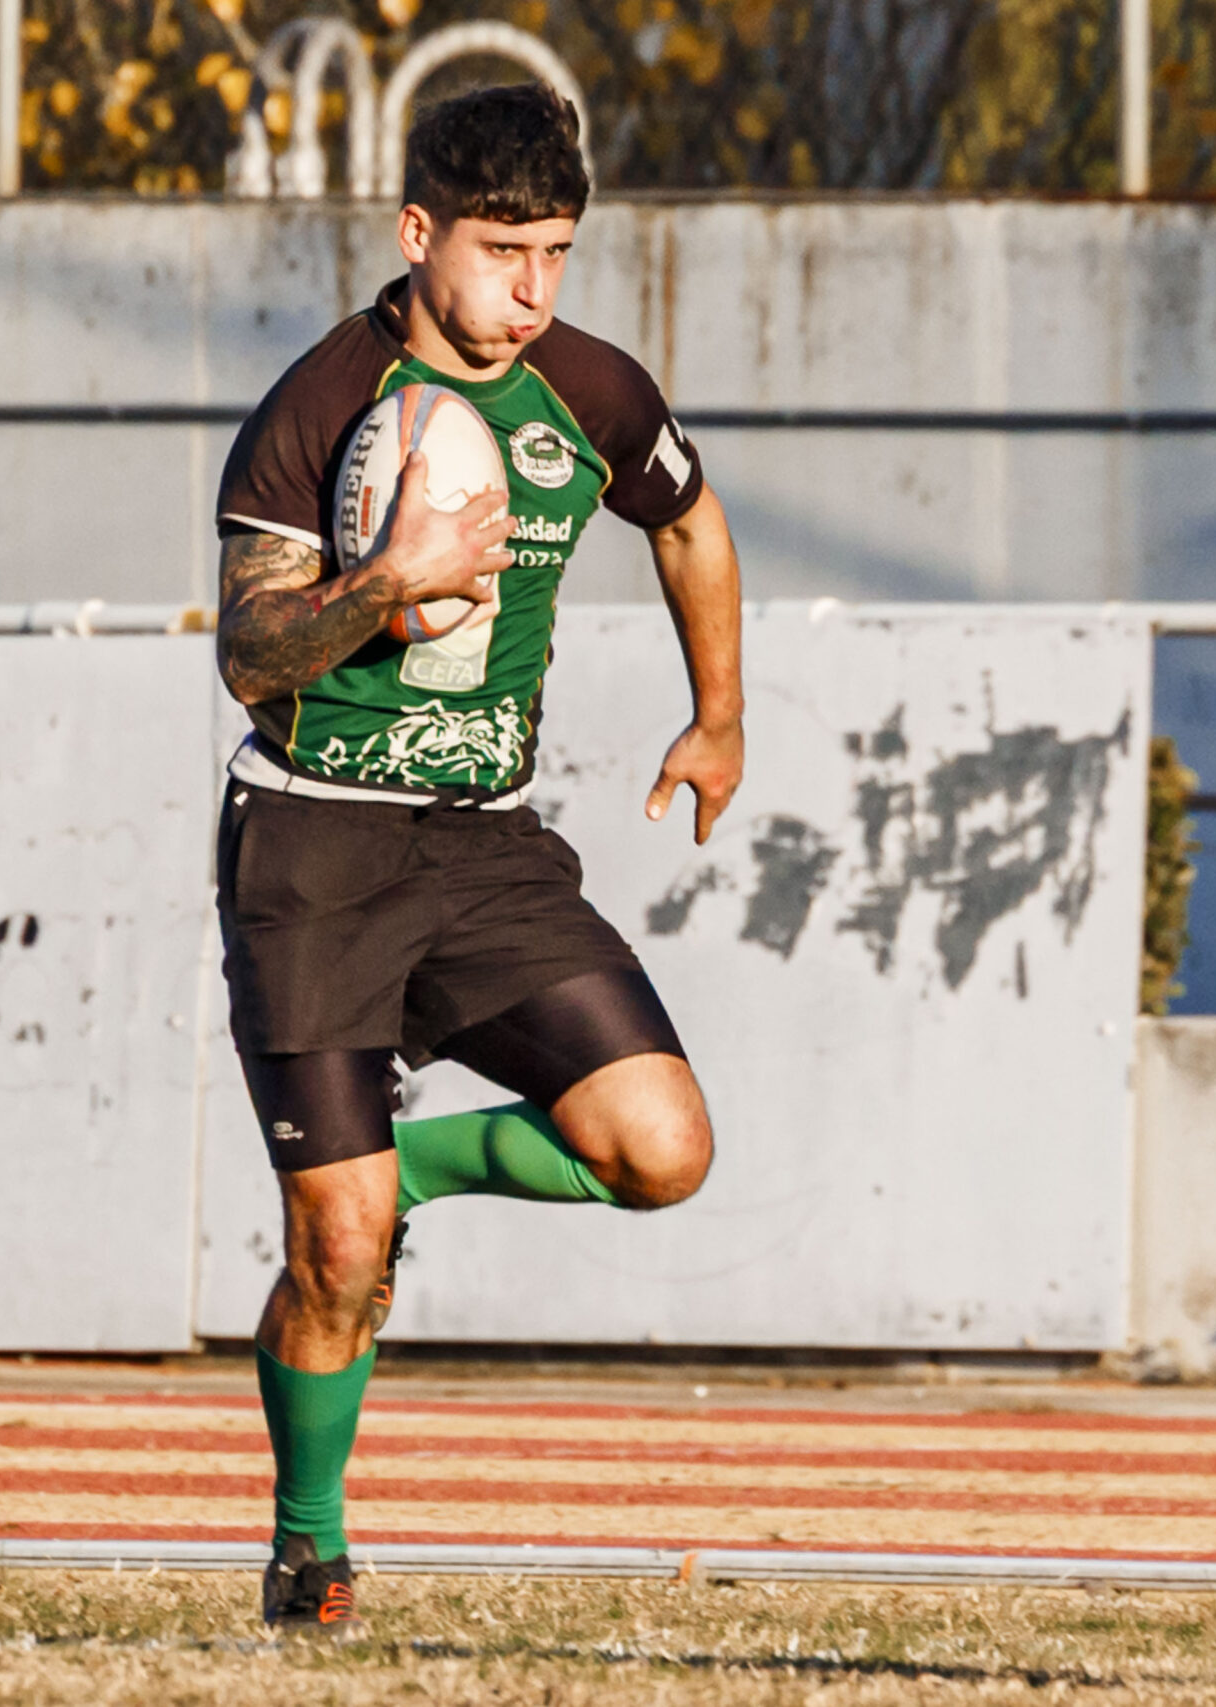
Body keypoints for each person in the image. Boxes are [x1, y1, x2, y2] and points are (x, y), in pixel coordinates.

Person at [210, 80, 745, 1640]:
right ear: (418, 231)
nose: (531, 289)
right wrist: (392, 579)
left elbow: (693, 523)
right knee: (334, 1251)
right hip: (311, 849)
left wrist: (719, 719)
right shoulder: (320, 403)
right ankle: (310, 1553)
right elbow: (250, 652)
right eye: (502, 249)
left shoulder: (592, 389)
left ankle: (408, 1173)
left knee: (663, 1151)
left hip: (486, 850)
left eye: (558, 252)